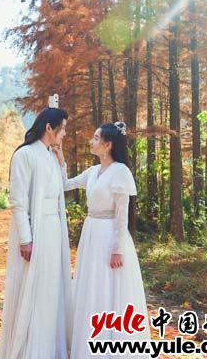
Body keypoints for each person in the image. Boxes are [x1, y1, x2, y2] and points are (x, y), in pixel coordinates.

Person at [53, 122, 151, 358]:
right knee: (91, 285)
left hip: (110, 235)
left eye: (96, 138)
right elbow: (66, 184)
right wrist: (60, 157)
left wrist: (118, 249)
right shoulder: (93, 171)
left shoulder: (120, 172)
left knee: (109, 285)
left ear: (108, 145)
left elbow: (121, 213)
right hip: (91, 234)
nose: (91, 141)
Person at [0, 95, 73, 359]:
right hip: (36, 231)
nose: (64, 134)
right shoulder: (25, 154)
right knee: (34, 289)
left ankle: (50, 347)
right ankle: (30, 349)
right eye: (62, 128)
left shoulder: (50, 156)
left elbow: (61, 188)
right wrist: (25, 239)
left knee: (51, 289)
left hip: (53, 230)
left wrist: (61, 159)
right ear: (49, 128)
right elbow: (18, 201)